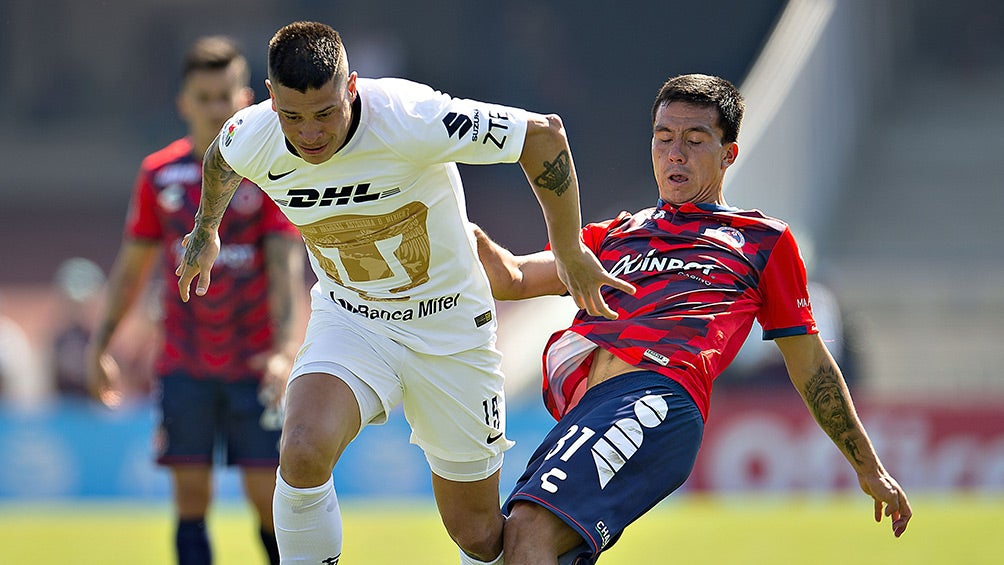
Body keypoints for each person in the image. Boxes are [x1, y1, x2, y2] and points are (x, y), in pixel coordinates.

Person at [175, 21, 625, 565]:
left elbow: (542, 135)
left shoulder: (410, 117)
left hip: (450, 329)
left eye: (325, 114)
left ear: (353, 87)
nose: (310, 134)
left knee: (478, 536)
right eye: (292, 116)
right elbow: (221, 159)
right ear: (271, 99)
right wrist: (206, 231)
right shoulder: (253, 133)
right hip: (352, 320)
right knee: (301, 452)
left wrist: (570, 250)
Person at [473, 73, 912, 564]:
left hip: (656, 400)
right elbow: (510, 278)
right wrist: (459, 232)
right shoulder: (617, 233)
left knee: (532, 528)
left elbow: (810, 362)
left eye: (694, 140)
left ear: (729, 154)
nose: (675, 153)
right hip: (588, 410)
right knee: (511, 544)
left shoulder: (763, 241)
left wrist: (867, 465)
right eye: (663, 138)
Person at [87, 36, 305, 565]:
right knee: (190, 500)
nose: (214, 107)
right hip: (184, 364)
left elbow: (287, 271)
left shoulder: (269, 171)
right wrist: (101, 345)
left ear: (246, 99)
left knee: (266, 501)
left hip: (255, 364)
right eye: (202, 97)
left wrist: (285, 350)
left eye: (224, 96)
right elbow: (133, 268)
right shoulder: (158, 174)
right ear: (183, 102)